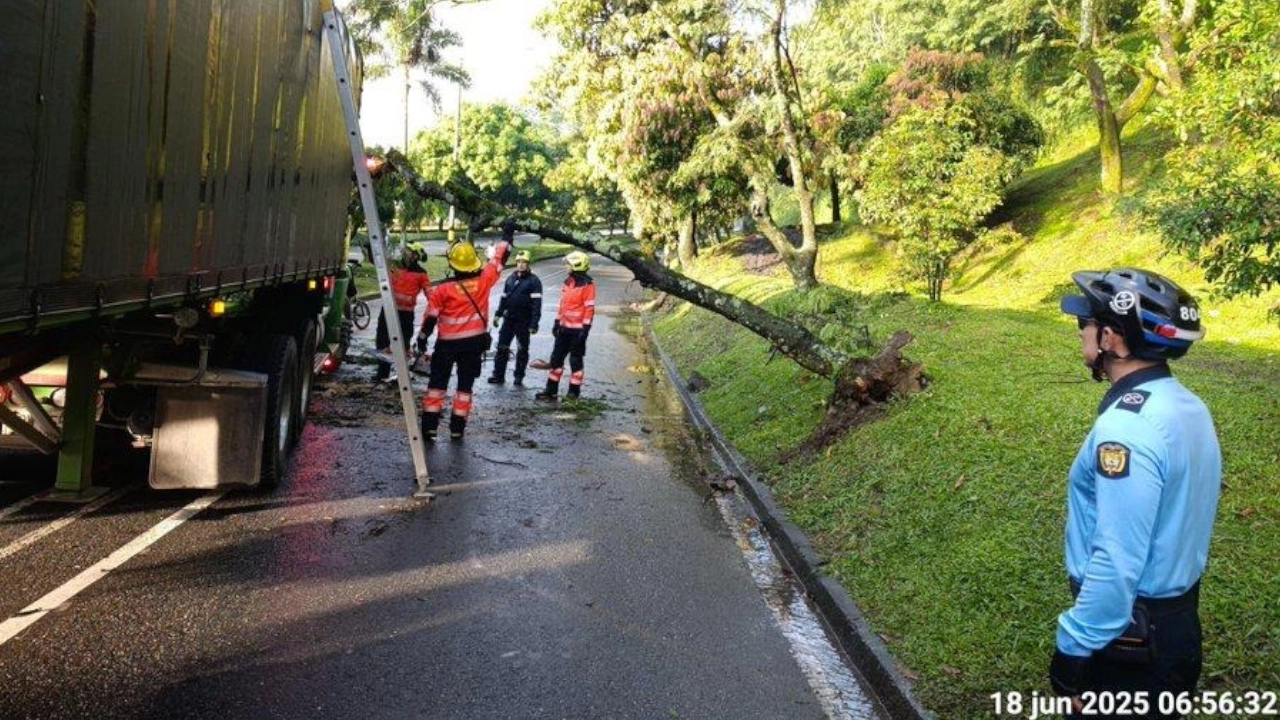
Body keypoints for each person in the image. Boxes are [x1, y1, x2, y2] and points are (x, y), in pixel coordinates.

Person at [1051, 268, 1221, 719]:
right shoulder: (1187, 406)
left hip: (1129, 644)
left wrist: (1073, 649)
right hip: (1175, 625)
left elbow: (1117, 558)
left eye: (1085, 323)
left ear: (1111, 339)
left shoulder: (1126, 429)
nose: (1081, 333)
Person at [415, 233, 511, 440]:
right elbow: (500, 260)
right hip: (474, 344)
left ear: (453, 264)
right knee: (465, 386)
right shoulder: (484, 281)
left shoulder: (443, 289)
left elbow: (430, 318)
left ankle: (430, 427)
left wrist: (422, 338)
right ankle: (457, 428)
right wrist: (507, 236)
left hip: (447, 345)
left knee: (437, 385)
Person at [535, 251, 595, 402]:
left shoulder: (588, 286)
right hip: (563, 329)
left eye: (568, 264)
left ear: (576, 265)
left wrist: (585, 330)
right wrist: (557, 321)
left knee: (575, 363)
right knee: (556, 360)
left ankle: (573, 394)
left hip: (578, 332)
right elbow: (563, 304)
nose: (566, 266)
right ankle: (550, 391)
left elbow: (589, 309)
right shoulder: (568, 282)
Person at [373, 242, 431, 383]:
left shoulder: (421, 274)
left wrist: (437, 305)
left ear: (416, 256)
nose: (405, 253)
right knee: (382, 342)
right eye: (405, 251)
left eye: (409, 252)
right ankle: (382, 373)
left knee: (403, 345)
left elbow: (430, 294)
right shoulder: (396, 268)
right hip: (388, 310)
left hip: (405, 314)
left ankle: (402, 375)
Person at [487, 251, 543, 386]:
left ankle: (519, 376)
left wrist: (534, 323)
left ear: (528, 264)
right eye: (519, 262)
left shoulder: (534, 281)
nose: (521, 265)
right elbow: (504, 298)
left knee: (522, 349)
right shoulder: (511, 278)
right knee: (502, 347)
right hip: (509, 320)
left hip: (524, 321)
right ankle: (498, 375)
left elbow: (537, 305)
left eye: (524, 262)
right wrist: (498, 314)